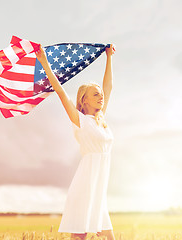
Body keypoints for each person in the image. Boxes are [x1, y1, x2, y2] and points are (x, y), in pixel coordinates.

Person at [35, 44, 116, 240]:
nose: (101, 97)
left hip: (99, 186)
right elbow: (61, 92)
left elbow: (108, 87)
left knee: (107, 235)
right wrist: (44, 63)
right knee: (79, 236)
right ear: (84, 100)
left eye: (101, 95)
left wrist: (108, 57)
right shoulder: (80, 120)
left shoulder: (101, 120)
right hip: (86, 183)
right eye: (95, 94)